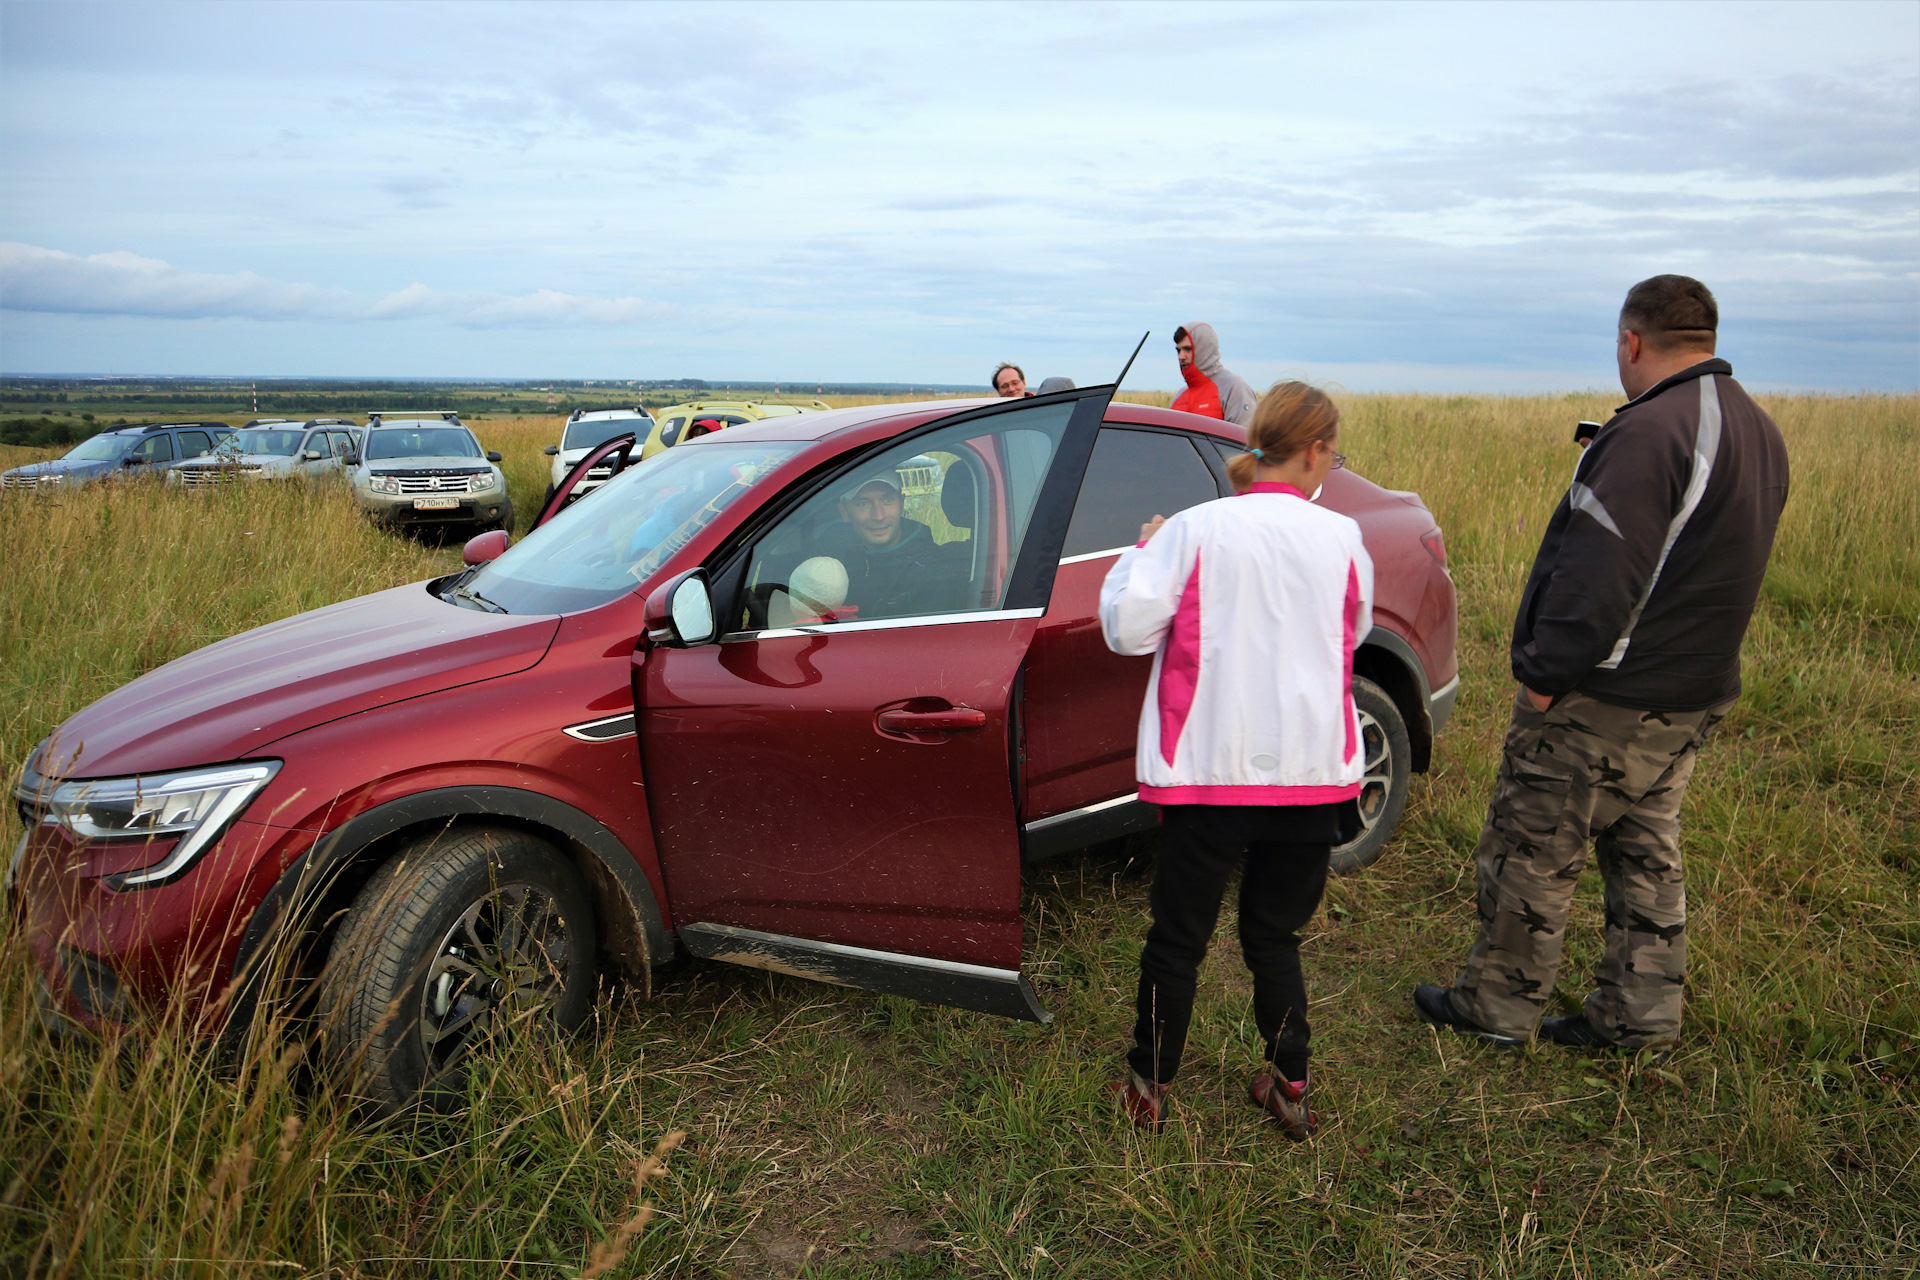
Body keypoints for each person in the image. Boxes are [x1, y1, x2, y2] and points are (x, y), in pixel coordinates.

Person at [1414, 275, 1789, 1053]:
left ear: (1632, 341)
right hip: (1693, 692)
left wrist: (1546, 675)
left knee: (1533, 845)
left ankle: (1496, 1006)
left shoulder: (1650, 432)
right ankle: (1638, 1013)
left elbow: (1600, 573)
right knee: (1647, 849)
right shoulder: (1759, 429)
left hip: (1609, 695)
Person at [1100, 382, 1371, 1140]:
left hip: (1207, 772)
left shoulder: (1192, 531)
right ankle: (1289, 1084)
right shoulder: (1344, 538)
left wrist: (1141, 552)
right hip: (1312, 773)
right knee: (1274, 938)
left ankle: (1148, 1087)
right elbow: (1351, 634)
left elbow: (1125, 628)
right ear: (1316, 450)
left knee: (1178, 939)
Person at [809, 470, 966, 619]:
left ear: (902, 503)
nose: (878, 515)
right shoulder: (841, 562)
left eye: (888, 500)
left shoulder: (933, 572)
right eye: (863, 503)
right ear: (844, 511)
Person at [1171, 323, 1257, 426]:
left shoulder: (1233, 388)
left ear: (1204, 349)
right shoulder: (1179, 397)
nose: (1181, 356)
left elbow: (1245, 438)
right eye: (1178, 350)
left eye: (1187, 349)